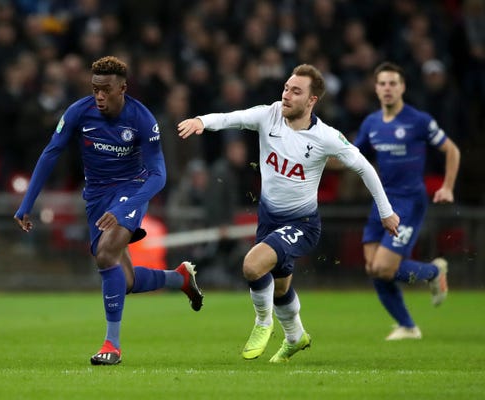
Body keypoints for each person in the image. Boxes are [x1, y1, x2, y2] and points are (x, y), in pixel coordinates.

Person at [177, 64, 400, 364]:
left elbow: (364, 167)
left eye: (296, 91)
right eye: (286, 88)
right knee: (281, 290)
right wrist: (201, 121)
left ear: (312, 101)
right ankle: (296, 337)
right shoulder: (268, 115)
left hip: (303, 223)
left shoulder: (326, 136)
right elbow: (232, 118)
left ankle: (262, 323)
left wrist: (386, 213)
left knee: (252, 266)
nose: (286, 95)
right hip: (269, 219)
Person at [14, 56, 203, 366]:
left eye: (105, 90)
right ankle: (179, 279)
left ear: (122, 88)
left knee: (105, 255)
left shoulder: (142, 119)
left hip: (131, 192)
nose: (99, 96)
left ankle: (111, 345)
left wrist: (126, 205)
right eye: (95, 89)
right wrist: (26, 204)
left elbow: (159, 175)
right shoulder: (78, 112)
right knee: (122, 280)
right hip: (96, 197)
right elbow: (51, 154)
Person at [354, 62, 461, 341]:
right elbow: (353, 157)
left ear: (402, 87)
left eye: (393, 83)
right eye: (382, 84)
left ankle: (434, 271)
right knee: (372, 268)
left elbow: (451, 150)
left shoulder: (419, 120)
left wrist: (448, 186)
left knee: (385, 267)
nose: (387, 88)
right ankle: (408, 327)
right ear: (376, 89)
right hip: (382, 200)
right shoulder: (371, 123)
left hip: (409, 202)